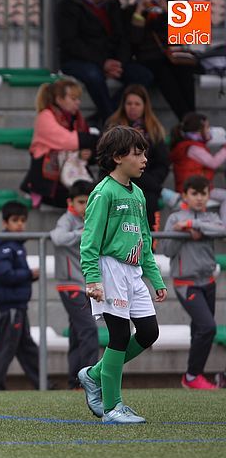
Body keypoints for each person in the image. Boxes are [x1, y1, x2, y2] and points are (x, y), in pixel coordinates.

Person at [78, 125, 166, 424]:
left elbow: (144, 240)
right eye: (137, 154)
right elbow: (89, 241)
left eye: (144, 154)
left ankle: (94, 374)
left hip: (133, 272)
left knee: (149, 332)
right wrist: (93, 278)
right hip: (110, 270)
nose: (144, 160)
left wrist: (155, 278)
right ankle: (112, 408)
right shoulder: (103, 193)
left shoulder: (138, 194)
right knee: (119, 335)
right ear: (117, 157)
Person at [160, 175, 225, 390]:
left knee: (200, 329)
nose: (199, 198)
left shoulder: (211, 217)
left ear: (208, 195)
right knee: (208, 327)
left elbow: (222, 230)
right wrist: (182, 233)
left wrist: (192, 224)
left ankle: (192, 378)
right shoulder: (174, 218)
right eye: (194, 193)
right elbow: (167, 250)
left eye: (203, 194)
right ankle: (192, 376)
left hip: (209, 282)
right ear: (185, 195)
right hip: (185, 284)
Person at [57, 0, 153, 126]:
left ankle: (105, 118)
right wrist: (103, 63)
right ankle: (112, 120)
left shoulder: (172, 5)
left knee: (148, 74)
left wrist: (118, 62)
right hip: (85, 60)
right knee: (93, 74)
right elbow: (71, 43)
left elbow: (123, 39)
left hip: (173, 62)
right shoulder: (69, 6)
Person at [0, 201, 41, 391]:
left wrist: (29, 276)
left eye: (23, 220)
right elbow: (5, 275)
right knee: (6, 346)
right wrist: (29, 274)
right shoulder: (5, 247)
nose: (20, 224)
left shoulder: (16, 246)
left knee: (27, 348)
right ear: (5, 223)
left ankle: (43, 383)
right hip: (11, 307)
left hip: (18, 306)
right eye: (15, 220)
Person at [50, 180, 100, 389]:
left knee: (77, 334)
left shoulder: (93, 219)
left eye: (89, 202)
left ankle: (75, 381)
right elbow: (57, 238)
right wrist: (83, 233)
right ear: (70, 202)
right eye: (81, 202)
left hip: (86, 285)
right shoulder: (66, 220)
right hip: (71, 285)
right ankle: (89, 381)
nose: (85, 207)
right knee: (89, 330)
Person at [22, 79, 97, 209]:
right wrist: (96, 139)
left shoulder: (77, 119)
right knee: (79, 198)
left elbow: (88, 146)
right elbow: (68, 141)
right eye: (73, 98)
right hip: (49, 180)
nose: (78, 102)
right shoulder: (45, 116)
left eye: (78, 99)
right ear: (59, 99)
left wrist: (88, 154)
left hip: (72, 170)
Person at [123, 0, 195, 120]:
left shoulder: (172, 5)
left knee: (185, 71)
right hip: (149, 58)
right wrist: (139, 12)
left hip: (174, 56)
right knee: (165, 76)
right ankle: (188, 120)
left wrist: (168, 11)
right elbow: (134, 40)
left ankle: (193, 118)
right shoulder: (130, 11)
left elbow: (189, 34)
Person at [106, 84, 171, 231]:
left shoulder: (154, 129)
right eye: (129, 103)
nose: (132, 108)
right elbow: (108, 159)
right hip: (118, 182)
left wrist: (151, 181)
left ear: (144, 106)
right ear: (123, 105)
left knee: (149, 202)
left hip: (148, 186)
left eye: (137, 104)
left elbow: (162, 163)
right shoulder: (112, 128)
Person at [170, 113, 226, 223]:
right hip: (195, 189)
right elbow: (213, 163)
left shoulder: (188, 145)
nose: (210, 130)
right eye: (207, 127)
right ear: (199, 130)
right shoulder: (193, 148)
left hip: (195, 187)